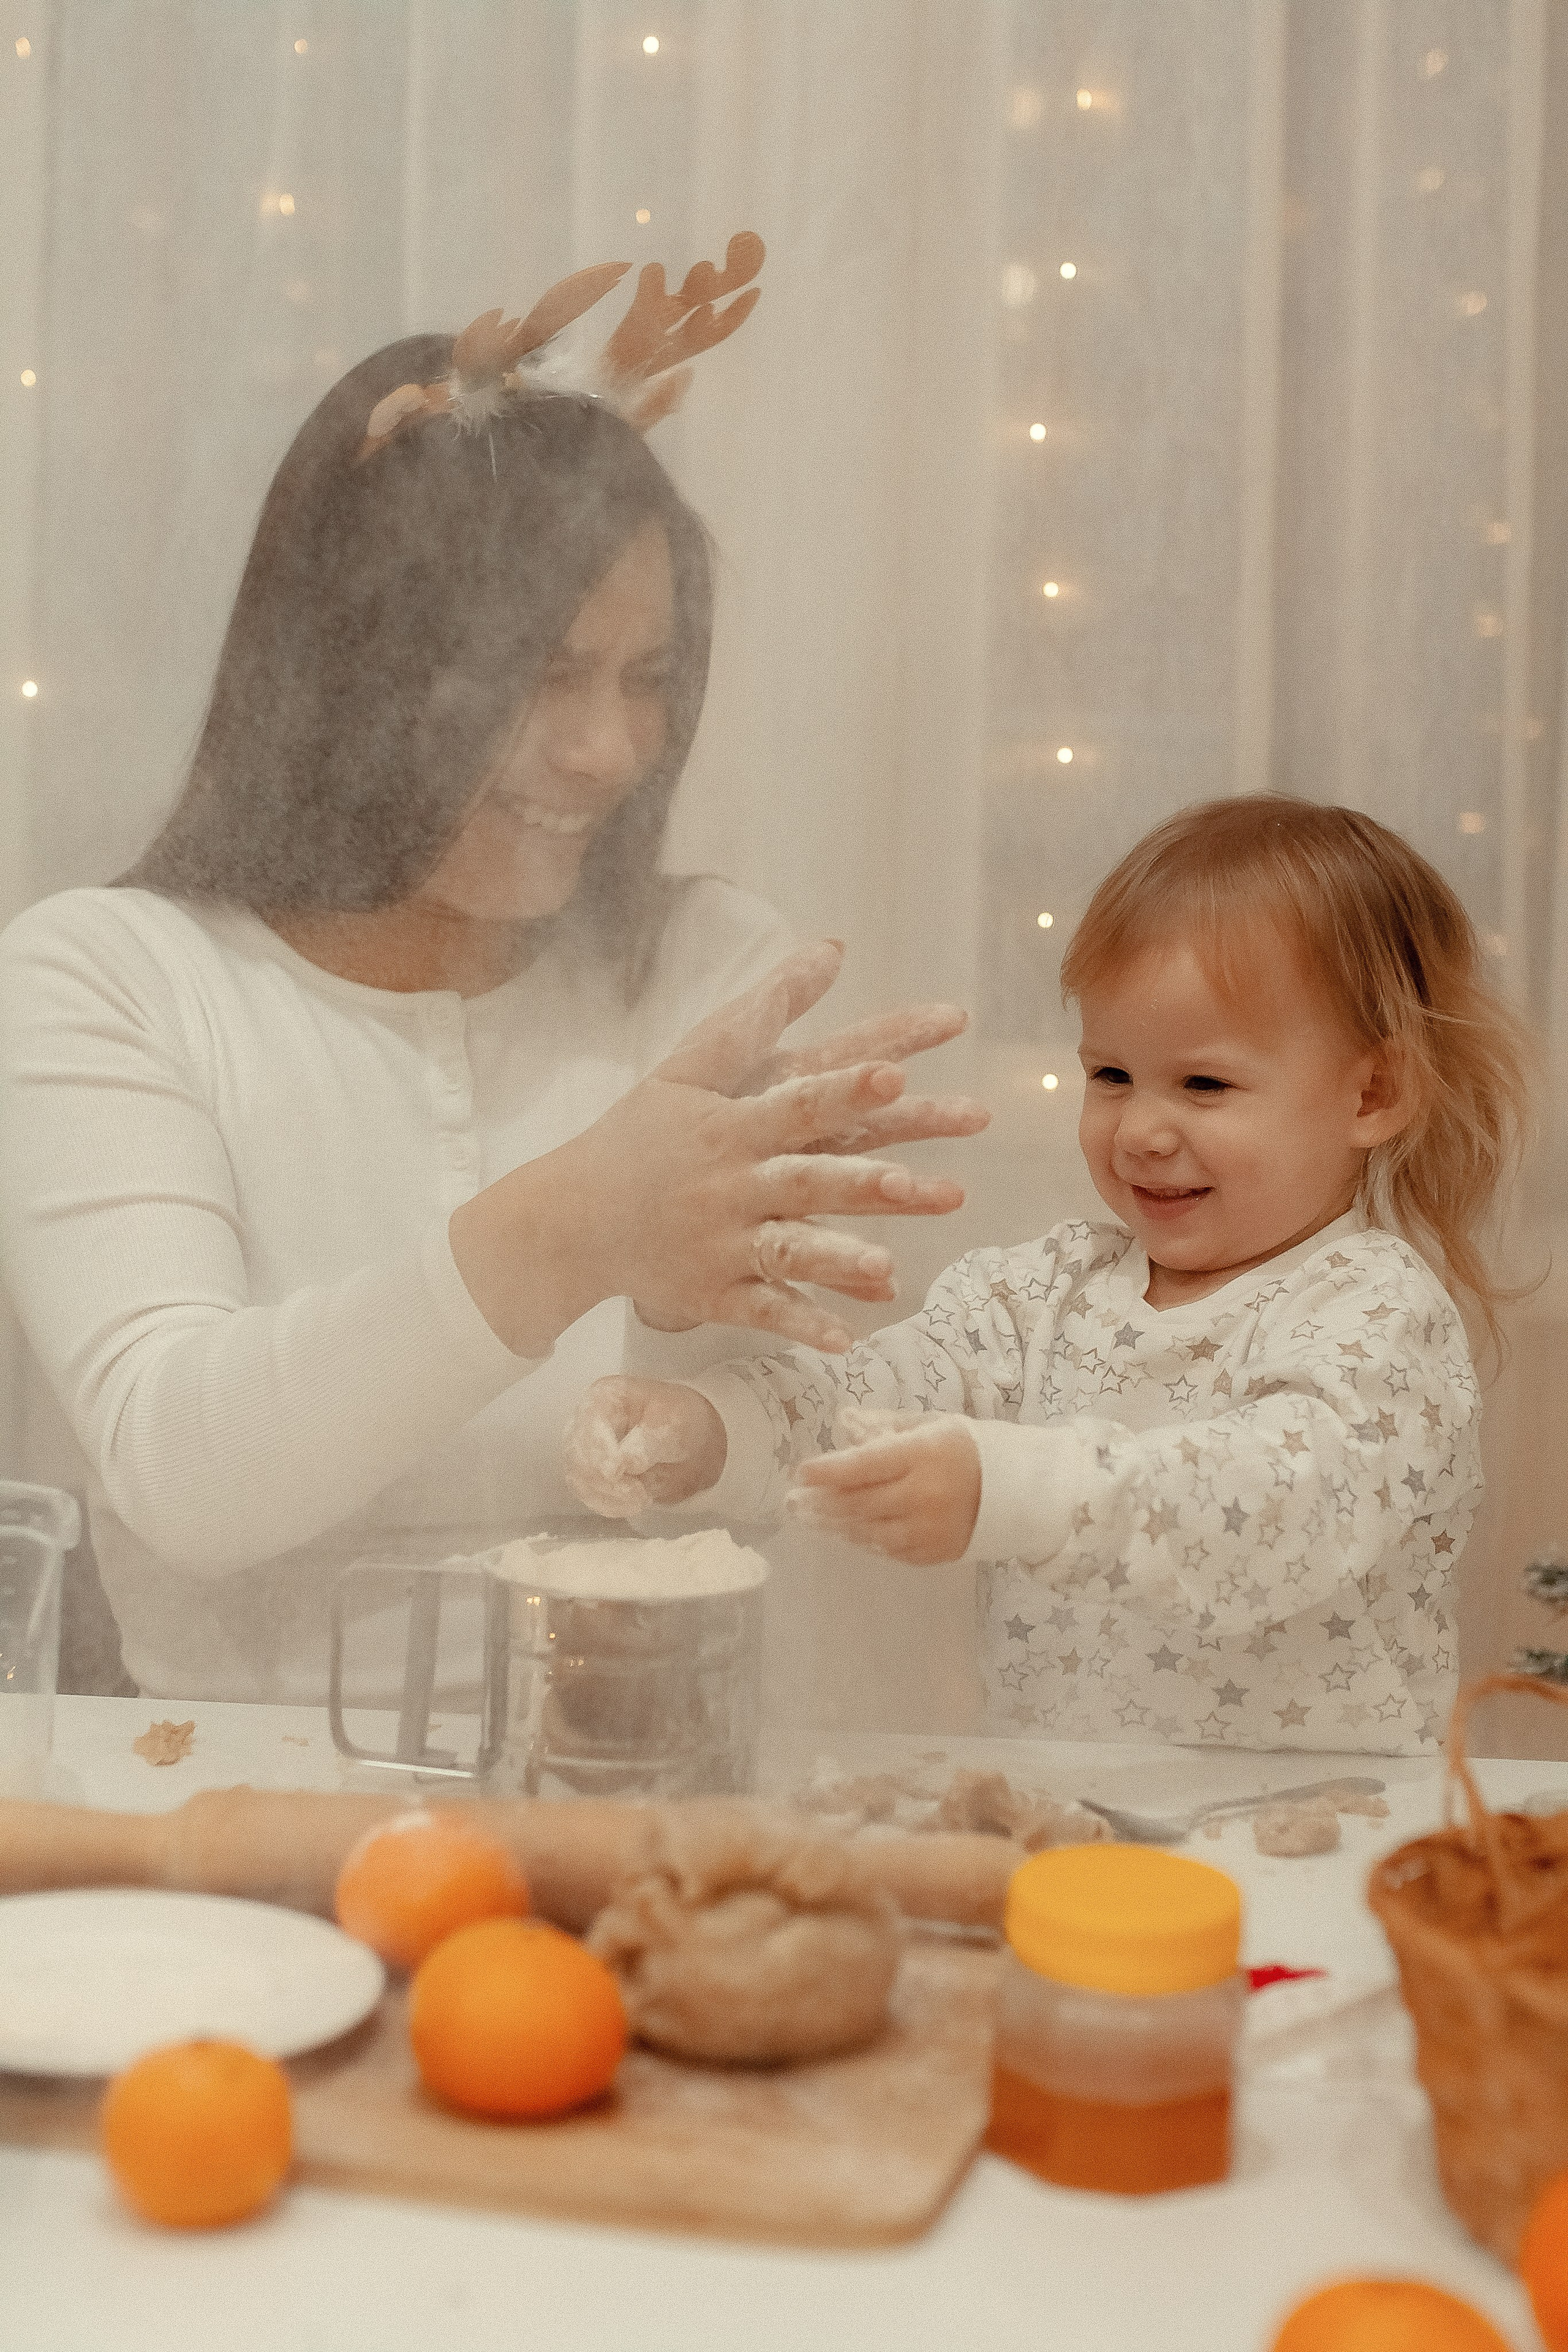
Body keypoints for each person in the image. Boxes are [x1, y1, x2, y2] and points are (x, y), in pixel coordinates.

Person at [0, 249, 987, 1703]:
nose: (607, 752)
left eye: (645, 677)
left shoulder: (715, 972)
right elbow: (182, 1476)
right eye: (538, 676)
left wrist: (727, 1409)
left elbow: (837, 1430)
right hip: (230, 1815)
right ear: (348, 674)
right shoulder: (111, 976)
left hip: (664, 1787)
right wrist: (571, 1232)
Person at [567, 797, 1533, 1755]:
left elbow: (1280, 1507)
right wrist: (707, 1432)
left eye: (1205, 1084)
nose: (1143, 1131)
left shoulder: (1378, 1313)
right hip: (1076, 1814)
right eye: (1111, 1076)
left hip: (1315, 1831)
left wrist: (1020, 1491)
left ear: (1373, 1094)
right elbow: (866, 1399)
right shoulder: (1042, 1292)